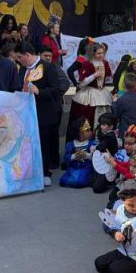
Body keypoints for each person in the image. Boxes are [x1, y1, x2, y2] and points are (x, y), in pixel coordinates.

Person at [17, 41, 69, 186]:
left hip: (44, 113)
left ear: (27, 55)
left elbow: (56, 89)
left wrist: (40, 92)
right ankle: (30, 170)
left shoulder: (48, 67)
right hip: (26, 112)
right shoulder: (22, 69)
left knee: (44, 143)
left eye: (20, 57)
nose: (19, 60)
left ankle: (45, 172)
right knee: (29, 142)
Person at [69, 41, 113, 143]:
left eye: (102, 53)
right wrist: (94, 75)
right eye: (99, 53)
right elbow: (82, 84)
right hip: (89, 94)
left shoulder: (105, 63)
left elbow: (108, 77)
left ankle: (102, 139)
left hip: (102, 93)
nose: (101, 55)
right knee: (88, 119)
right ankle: (87, 141)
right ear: (93, 53)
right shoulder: (87, 64)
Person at [111, 72, 136, 138]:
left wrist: (114, 102)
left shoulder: (122, 99)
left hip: (127, 131)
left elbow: (116, 115)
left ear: (123, 85)